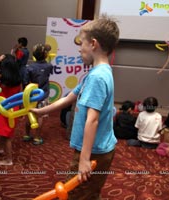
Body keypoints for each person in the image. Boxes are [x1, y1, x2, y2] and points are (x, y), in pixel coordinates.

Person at [30, 15, 119, 199]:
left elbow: (92, 120)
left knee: (77, 195)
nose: (79, 49)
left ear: (93, 44)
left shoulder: (96, 77)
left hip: (93, 152)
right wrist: (41, 111)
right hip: (99, 148)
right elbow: (69, 97)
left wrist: (84, 159)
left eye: (82, 43)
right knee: (90, 192)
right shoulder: (98, 72)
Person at [0, 54, 22, 166]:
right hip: (12, 107)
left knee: (6, 136)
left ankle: (8, 160)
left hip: (3, 107)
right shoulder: (18, 78)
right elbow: (19, 94)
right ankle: (1, 149)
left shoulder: (2, 78)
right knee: (3, 132)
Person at [22, 43, 53, 145]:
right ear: (45, 55)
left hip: (30, 96)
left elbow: (25, 82)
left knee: (28, 115)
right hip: (43, 95)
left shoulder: (29, 67)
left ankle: (27, 135)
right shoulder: (49, 66)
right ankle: (37, 137)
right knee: (40, 116)